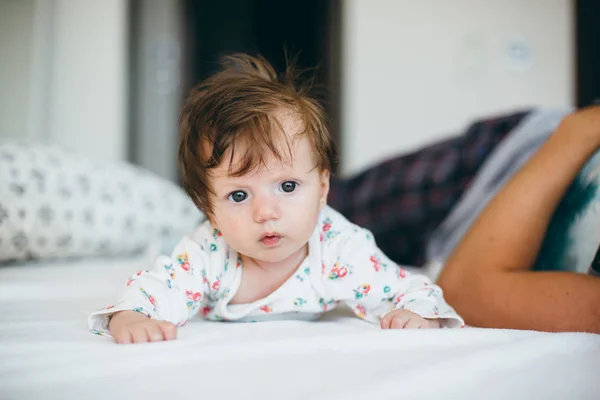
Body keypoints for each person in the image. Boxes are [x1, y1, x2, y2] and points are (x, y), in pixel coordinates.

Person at [88, 54, 463, 344]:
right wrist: (132, 317)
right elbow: (158, 289)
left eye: (287, 187)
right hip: (195, 248)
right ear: (209, 209)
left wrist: (417, 312)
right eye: (238, 194)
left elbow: (410, 287)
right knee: (167, 253)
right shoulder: (209, 252)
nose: (266, 212)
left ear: (322, 189)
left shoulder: (339, 247)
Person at [330, 106, 600, 334]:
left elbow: (467, 292)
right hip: (508, 156)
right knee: (323, 203)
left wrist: (580, 128)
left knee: (326, 222)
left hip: (500, 186)